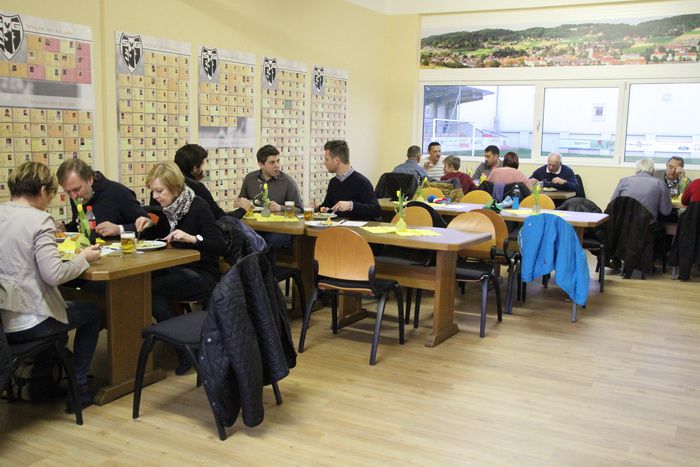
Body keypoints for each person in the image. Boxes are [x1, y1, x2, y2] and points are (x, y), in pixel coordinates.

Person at [0, 162, 102, 411]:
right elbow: (54, 274)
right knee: (92, 313)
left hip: (4, 322)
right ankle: (79, 387)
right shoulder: (39, 220)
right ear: (43, 190)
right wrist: (83, 258)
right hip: (29, 321)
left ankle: (40, 380)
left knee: (64, 311)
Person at [135, 162, 227, 375]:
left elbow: (219, 245)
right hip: (175, 268)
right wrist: (148, 225)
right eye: (153, 191)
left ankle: (183, 347)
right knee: (142, 285)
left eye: (160, 191)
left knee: (148, 291)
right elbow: (161, 236)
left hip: (202, 273)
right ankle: (181, 343)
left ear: (175, 188)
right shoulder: (165, 208)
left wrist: (193, 238)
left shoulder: (198, 206)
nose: (155, 196)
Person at [57, 158, 147, 239]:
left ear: (90, 179)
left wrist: (119, 229)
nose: (73, 196)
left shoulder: (118, 192)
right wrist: (64, 229)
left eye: (77, 189)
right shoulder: (76, 196)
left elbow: (148, 228)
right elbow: (81, 226)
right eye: (68, 192)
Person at [237, 145, 303, 249]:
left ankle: (260, 256)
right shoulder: (250, 179)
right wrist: (240, 203)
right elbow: (241, 201)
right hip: (255, 227)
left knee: (271, 240)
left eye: (278, 161)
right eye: (272, 162)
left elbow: (299, 209)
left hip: (279, 230)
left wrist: (280, 208)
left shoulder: (288, 182)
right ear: (261, 164)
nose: (277, 165)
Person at [171, 143, 247, 220]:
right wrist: (243, 209)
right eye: (203, 163)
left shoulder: (171, 183)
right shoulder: (197, 187)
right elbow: (220, 218)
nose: (205, 168)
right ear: (195, 168)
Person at [317, 140, 381, 221]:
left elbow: (376, 210)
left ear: (337, 160)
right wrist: (318, 208)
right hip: (338, 226)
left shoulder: (362, 182)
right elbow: (327, 207)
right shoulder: (333, 182)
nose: (324, 163)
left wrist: (351, 205)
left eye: (326, 159)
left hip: (358, 227)